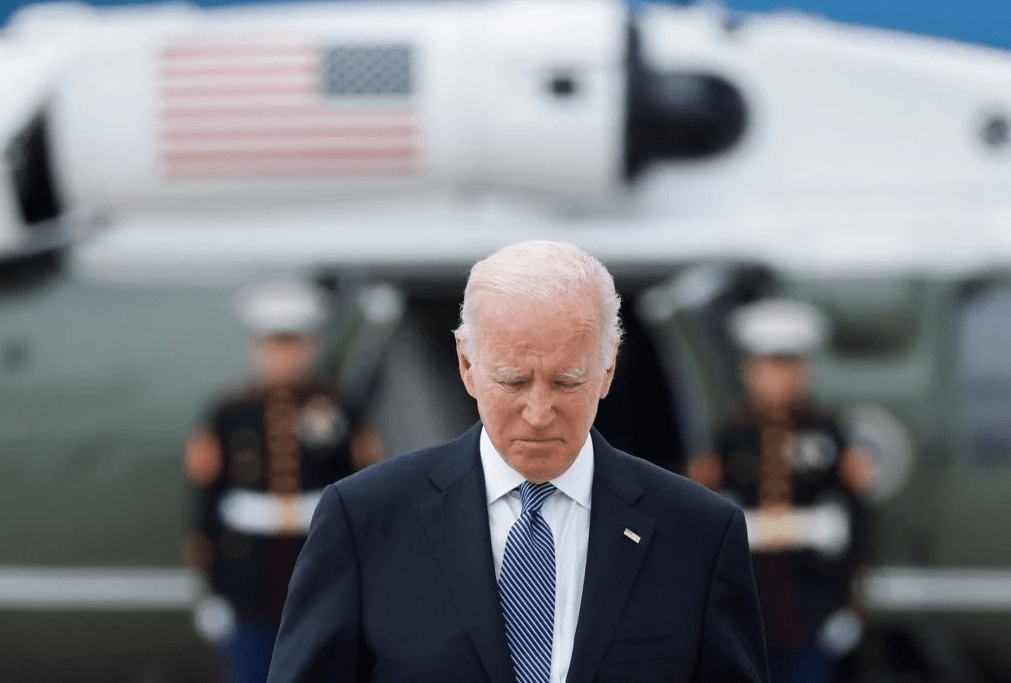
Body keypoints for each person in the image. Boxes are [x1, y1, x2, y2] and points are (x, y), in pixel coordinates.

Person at [267, 241, 768, 683]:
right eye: (513, 381)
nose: (538, 412)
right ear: (467, 364)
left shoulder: (699, 534)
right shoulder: (364, 522)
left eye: (567, 382)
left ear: (608, 368)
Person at [184, 279, 383, 683]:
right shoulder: (229, 412)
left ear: (312, 346)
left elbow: (367, 491)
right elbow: (206, 500)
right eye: (274, 343)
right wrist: (211, 587)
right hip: (249, 579)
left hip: (323, 576)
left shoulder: (340, 408)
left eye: (295, 343)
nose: (284, 355)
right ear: (255, 347)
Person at [687, 299, 873, 683]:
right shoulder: (731, 433)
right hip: (747, 605)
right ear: (749, 371)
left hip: (810, 605)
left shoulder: (826, 430)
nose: (779, 378)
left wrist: (850, 603)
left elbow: (857, 518)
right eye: (769, 366)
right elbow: (698, 514)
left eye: (790, 366)